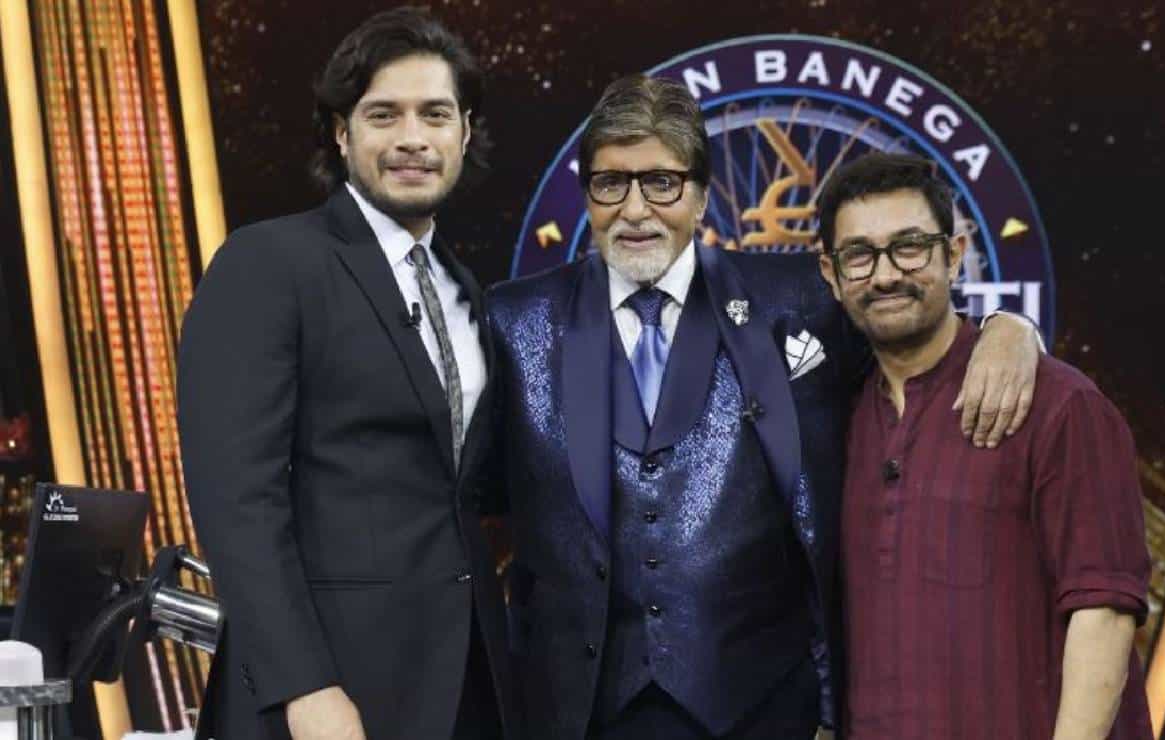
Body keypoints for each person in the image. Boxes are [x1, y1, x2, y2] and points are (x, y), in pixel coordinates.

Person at [486, 75, 1040, 740]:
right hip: (577, 713)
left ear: (701, 196)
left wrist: (1010, 329)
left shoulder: (801, 301)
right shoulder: (512, 320)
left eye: (661, 183)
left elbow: (915, 337)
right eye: (611, 184)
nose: (635, 209)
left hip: (763, 708)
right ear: (588, 196)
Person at [177, 8, 513, 740]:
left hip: (467, 689)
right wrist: (304, 687)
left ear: (464, 133)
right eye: (383, 115)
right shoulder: (268, 263)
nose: (413, 138)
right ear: (341, 133)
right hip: (327, 697)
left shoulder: (465, 290)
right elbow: (237, 500)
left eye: (435, 114)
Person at [818, 152, 1154, 739]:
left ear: (954, 254)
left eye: (909, 247)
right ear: (831, 272)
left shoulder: (1060, 405)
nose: (886, 275)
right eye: (860, 255)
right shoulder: (832, 419)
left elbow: (1104, 611)